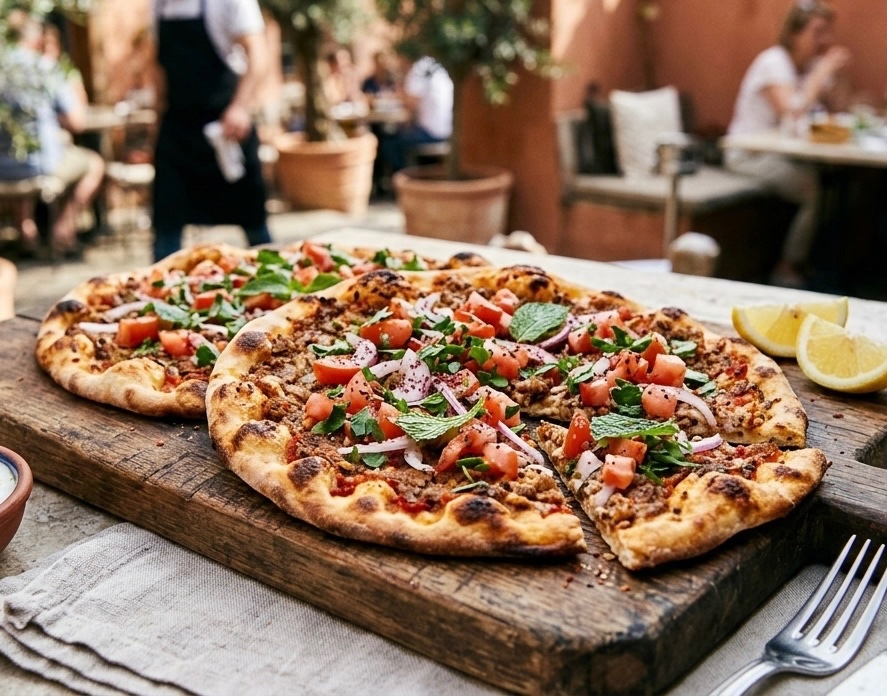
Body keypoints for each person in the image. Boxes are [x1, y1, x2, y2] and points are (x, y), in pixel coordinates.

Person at [725, 0, 851, 287]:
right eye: (818, 32)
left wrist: (835, 76)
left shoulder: (803, 67)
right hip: (747, 154)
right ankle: (787, 268)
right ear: (794, 33)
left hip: (779, 155)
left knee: (838, 184)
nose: (825, 41)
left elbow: (839, 110)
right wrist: (820, 75)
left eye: (827, 33)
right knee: (813, 189)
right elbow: (791, 111)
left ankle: (824, 268)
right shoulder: (774, 62)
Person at [149, 0, 271, 262]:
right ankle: (157, 294)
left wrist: (240, 107)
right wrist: (156, 120)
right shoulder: (158, 5)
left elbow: (259, 55)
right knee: (166, 225)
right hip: (177, 130)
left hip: (225, 128)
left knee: (254, 224)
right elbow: (158, 69)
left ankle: (281, 287)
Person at [0, 11, 105, 257]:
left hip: (3, 169)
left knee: (18, 155)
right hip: (40, 167)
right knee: (94, 163)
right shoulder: (45, 68)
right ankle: (64, 228)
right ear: (36, 39)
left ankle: (27, 232)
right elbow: (77, 122)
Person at [379, 56, 453, 173]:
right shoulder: (438, 67)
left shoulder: (419, 68)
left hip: (431, 133)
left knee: (388, 144)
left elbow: (410, 104)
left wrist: (399, 91)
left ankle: (404, 178)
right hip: (448, 132)